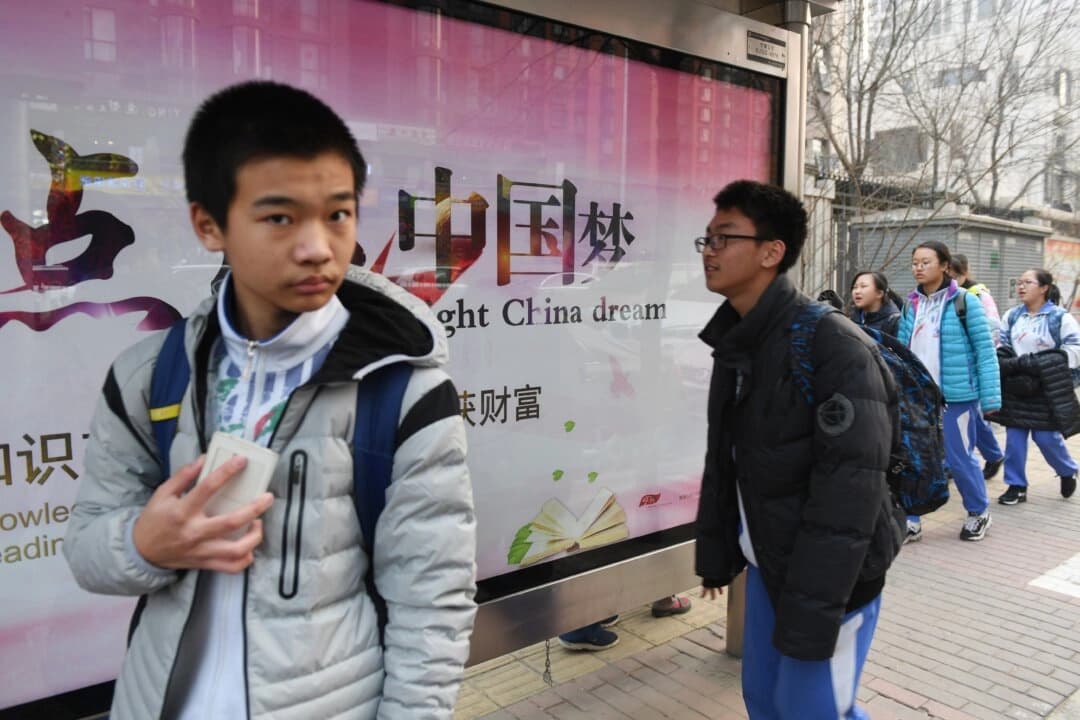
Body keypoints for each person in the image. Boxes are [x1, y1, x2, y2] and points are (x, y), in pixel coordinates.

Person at [63, 81, 477, 720]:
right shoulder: (150, 376)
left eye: (338, 214)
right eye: (280, 217)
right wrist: (144, 544)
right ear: (209, 224)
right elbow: (88, 548)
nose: (318, 246)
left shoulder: (404, 390)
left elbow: (433, 600)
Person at [695, 180, 904, 719]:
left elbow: (851, 492)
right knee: (765, 702)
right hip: (771, 566)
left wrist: (814, 607)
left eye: (724, 237)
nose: (709, 250)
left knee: (809, 709)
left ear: (772, 251)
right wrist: (719, 554)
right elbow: (726, 462)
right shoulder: (738, 340)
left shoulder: (834, 345)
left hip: (834, 577)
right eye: (707, 238)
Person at [897, 241, 1001, 543]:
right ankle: (911, 520)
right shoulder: (911, 304)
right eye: (915, 262)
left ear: (944, 265)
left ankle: (979, 511)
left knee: (958, 458)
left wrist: (990, 397)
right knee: (915, 457)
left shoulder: (966, 302)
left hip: (958, 396)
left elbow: (984, 350)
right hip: (919, 396)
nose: (918, 267)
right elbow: (901, 351)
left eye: (925, 262)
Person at [994, 269, 1080, 504]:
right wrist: (1014, 365)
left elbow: (1074, 351)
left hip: (1047, 387)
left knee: (1046, 438)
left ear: (1044, 288)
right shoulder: (1012, 316)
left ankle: (1067, 469)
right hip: (1017, 386)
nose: (1021, 287)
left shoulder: (1060, 318)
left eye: (1028, 283)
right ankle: (1016, 486)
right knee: (1014, 438)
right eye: (1019, 283)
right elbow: (1002, 347)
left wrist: (1040, 364)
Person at [949, 253, 1005, 480]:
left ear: (964, 274)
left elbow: (991, 335)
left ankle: (992, 455)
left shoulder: (976, 296)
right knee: (965, 419)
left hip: (972, 369)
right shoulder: (944, 297)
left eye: (955, 276)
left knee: (974, 418)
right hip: (953, 369)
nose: (951, 281)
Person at [849, 270, 901, 337]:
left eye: (863, 286)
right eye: (855, 287)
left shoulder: (894, 322)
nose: (857, 291)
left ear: (879, 293)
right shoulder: (851, 319)